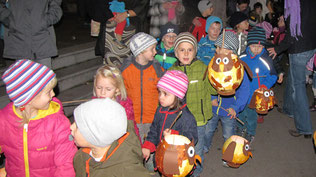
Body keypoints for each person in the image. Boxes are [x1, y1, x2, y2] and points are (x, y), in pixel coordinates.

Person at [0, 59, 77, 176]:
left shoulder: (58, 123)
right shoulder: (4, 119)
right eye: (48, 92)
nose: (53, 94)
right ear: (28, 98)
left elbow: (66, 164)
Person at [169, 32, 217, 177]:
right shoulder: (172, 71)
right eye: (182, 50)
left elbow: (211, 88)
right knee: (182, 146)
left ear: (195, 51)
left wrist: (218, 82)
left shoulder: (202, 68)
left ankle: (196, 172)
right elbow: (168, 95)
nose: (186, 53)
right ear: (176, 53)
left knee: (197, 146)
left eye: (190, 49)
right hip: (180, 119)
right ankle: (183, 168)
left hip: (199, 118)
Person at [267, 0, 316, 138]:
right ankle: (289, 108)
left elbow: (291, 36)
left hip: (299, 50)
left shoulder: (293, 4)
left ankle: (304, 128)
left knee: (298, 87)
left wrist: (277, 48)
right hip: (312, 45)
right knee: (293, 77)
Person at [72, 98, 150, 177]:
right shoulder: (81, 156)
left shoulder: (126, 171)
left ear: (95, 135)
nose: (71, 127)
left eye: (78, 126)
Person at [204, 31, 250, 155]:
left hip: (229, 109)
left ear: (231, 52)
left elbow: (245, 90)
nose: (217, 50)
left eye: (221, 48)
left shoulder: (238, 69)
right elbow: (209, 82)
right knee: (208, 130)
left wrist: (236, 107)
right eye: (217, 48)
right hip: (213, 108)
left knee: (228, 133)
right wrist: (212, 97)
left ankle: (229, 153)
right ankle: (204, 148)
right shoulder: (214, 64)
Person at [142, 70, 198, 164]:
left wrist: (173, 137)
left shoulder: (186, 117)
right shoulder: (160, 110)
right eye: (160, 92)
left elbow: (192, 139)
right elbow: (154, 130)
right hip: (162, 154)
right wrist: (148, 145)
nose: (160, 97)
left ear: (178, 96)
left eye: (166, 94)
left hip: (177, 159)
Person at [239, 26, 277, 142]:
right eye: (254, 46)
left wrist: (264, 85)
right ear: (248, 45)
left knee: (251, 116)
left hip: (256, 95)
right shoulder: (242, 58)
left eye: (260, 47)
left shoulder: (265, 60)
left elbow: (273, 75)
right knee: (240, 113)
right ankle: (240, 129)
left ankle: (250, 132)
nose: (256, 49)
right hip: (242, 93)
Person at [0, 0, 62, 68]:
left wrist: (46, 20)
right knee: (24, 76)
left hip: (42, 39)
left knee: (44, 76)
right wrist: (10, 20)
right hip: (20, 39)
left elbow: (56, 3)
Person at [93, 64, 140, 141]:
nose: (102, 92)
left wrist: (138, 146)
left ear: (117, 89)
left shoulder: (125, 107)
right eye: (99, 88)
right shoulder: (92, 105)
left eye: (108, 89)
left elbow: (132, 129)